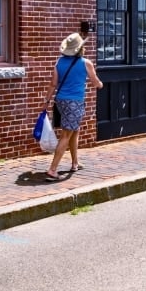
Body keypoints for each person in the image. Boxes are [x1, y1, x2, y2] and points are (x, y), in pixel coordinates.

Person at [42, 30, 103, 182]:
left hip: (60, 101)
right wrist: (100, 84)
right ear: (80, 48)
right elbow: (96, 82)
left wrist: (46, 101)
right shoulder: (85, 63)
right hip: (74, 102)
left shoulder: (59, 63)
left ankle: (75, 163)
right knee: (66, 135)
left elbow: (53, 84)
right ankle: (52, 169)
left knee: (74, 130)